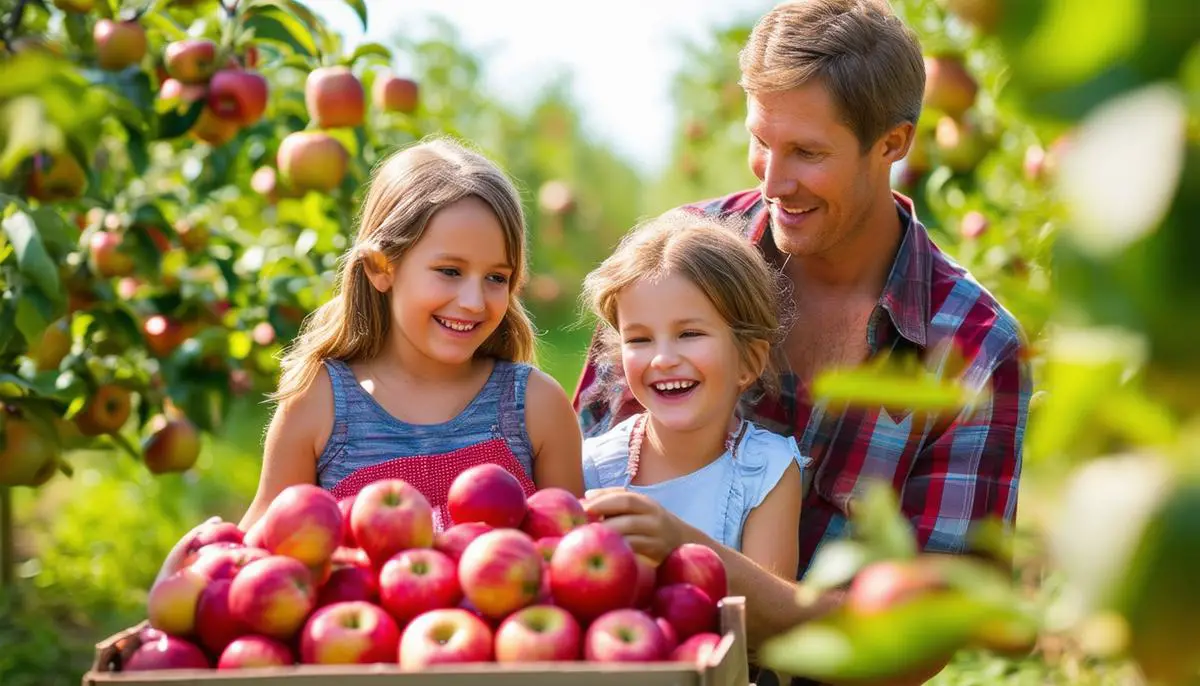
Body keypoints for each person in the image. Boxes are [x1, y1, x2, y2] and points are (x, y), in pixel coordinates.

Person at [575, 0, 1032, 667]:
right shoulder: (679, 263)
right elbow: (569, 483)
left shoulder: (974, 350)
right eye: (762, 140)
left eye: (807, 153)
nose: (772, 180)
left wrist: (697, 563)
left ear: (893, 145)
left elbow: (923, 639)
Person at [160, 137, 584, 578]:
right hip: (348, 645)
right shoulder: (320, 404)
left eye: (497, 277)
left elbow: (575, 559)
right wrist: (192, 575)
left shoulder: (533, 406)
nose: (475, 301)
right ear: (382, 268)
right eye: (450, 272)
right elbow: (260, 553)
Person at [579, 210, 808, 578]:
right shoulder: (594, 469)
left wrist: (678, 543)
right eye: (639, 339)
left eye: (689, 334)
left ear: (749, 359)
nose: (664, 359)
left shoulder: (767, 471)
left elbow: (769, 609)